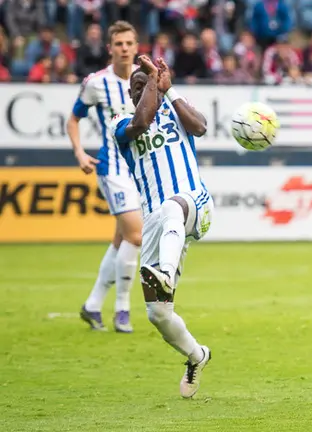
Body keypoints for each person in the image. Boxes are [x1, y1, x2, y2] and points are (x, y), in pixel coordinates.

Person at [110, 55, 214, 398]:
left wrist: (169, 90)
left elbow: (200, 127)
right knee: (157, 314)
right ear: (129, 94)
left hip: (193, 202)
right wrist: (154, 81)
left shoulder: (175, 109)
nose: (145, 89)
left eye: (149, 83)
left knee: (174, 206)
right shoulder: (119, 121)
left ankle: (166, 271)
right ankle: (197, 355)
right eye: (138, 86)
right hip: (156, 222)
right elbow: (141, 123)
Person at [68, 21, 141, 333]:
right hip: (112, 167)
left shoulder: (146, 77)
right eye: (118, 44)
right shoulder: (96, 83)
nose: (124, 48)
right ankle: (123, 308)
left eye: (129, 43)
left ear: (137, 47)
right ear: (109, 48)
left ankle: (92, 305)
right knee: (136, 235)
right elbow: (73, 119)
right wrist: (80, 153)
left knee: (121, 238)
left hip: (141, 168)